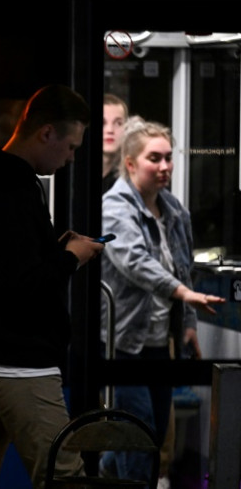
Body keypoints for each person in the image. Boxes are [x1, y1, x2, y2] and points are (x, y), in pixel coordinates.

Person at [0, 84, 106, 489]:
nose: (70, 158)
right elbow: (22, 286)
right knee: (63, 475)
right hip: (16, 360)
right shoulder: (13, 189)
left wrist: (56, 249)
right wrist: (73, 257)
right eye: (70, 146)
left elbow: (2, 267)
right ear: (46, 132)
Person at [99, 116, 225, 487]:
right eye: (155, 158)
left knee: (149, 438)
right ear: (131, 163)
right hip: (123, 343)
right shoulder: (114, 207)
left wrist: (187, 324)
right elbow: (136, 263)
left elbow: (183, 269)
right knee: (136, 437)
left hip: (159, 342)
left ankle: (100, 477)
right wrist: (185, 295)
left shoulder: (172, 208)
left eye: (169, 158)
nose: (165, 166)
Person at [102, 93, 129, 193]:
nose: (110, 130)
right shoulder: (76, 176)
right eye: (102, 123)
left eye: (118, 123)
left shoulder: (130, 180)